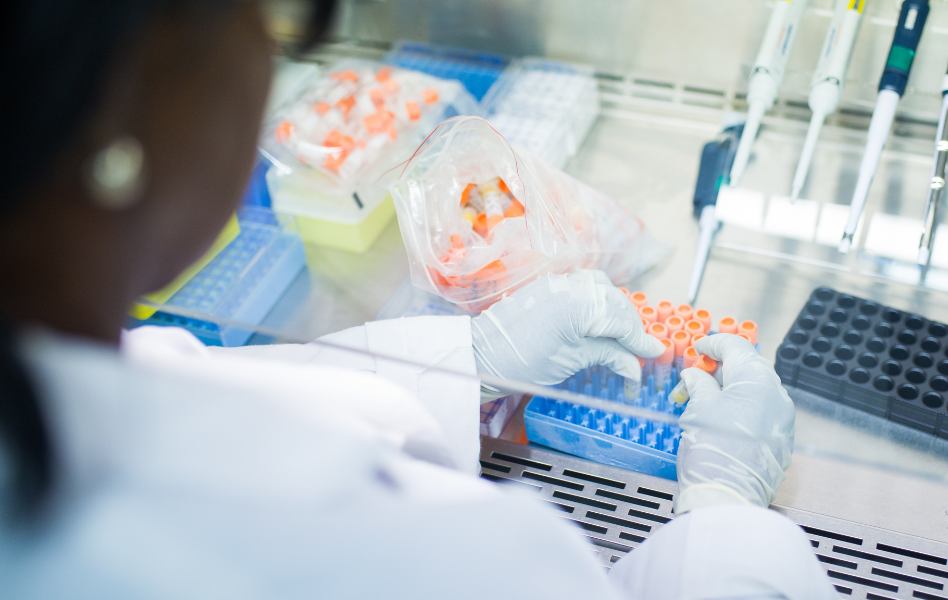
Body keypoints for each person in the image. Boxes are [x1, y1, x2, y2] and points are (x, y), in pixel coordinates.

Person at [0, 1, 837, 598]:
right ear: (120, 104)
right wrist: (723, 519)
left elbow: (192, 396)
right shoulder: (417, 560)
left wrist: (459, 363)